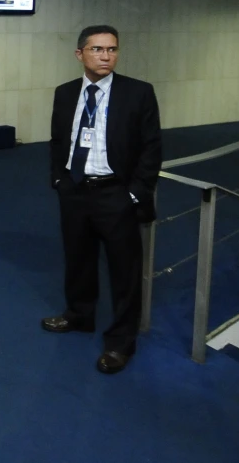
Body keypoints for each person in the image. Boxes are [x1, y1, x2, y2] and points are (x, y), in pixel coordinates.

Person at [43, 25, 162, 375]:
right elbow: (56, 140)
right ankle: (79, 315)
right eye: (97, 49)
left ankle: (121, 341)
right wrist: (58, 179)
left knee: (124, 271)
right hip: (75, 190)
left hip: (116, 193)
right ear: (80, 54)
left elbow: (152, 147)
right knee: (78, 259)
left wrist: (134, 193)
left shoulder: (138, 93)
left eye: (112, 49)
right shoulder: (65, 93)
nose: (106, 56)